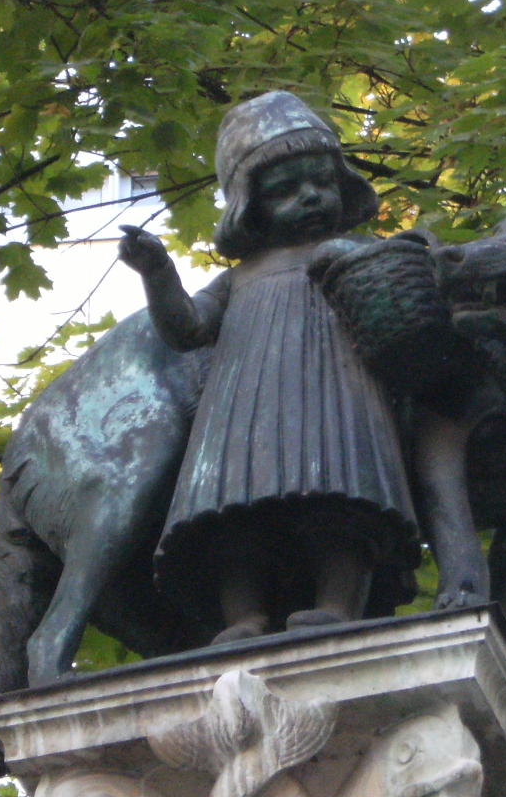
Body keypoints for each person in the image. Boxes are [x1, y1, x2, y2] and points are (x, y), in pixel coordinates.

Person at [118, 91, 419, 644]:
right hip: (246, 412)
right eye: (285, 190)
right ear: (249, 207)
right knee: (235, 519)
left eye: (321, 182)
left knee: (341, 506)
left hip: (339, 401)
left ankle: (337, 605)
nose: (310, 196)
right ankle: (244, 616)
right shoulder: (239, 277)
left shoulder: (358, 250)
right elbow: (187, 329)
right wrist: (158, 273)